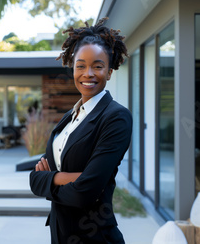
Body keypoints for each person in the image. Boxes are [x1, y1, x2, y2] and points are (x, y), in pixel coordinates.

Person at [30, 18, 132, 243]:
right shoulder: (70, 117)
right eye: (81, 65)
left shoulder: (116, 117)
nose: (88, 73)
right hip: (60, 232)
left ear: (109, 71)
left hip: (93, 236)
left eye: (97, 66)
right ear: (72, 68)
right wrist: (63, 178)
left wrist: (50, 179)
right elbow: (34, 179)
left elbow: (86, 192)